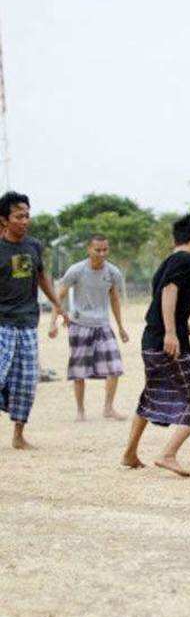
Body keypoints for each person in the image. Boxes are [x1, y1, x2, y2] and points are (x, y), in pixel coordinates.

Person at [121, 214, 190, 477]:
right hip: (166, 343)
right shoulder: (187, 260)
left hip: (152, 340)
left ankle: (130, 453)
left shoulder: (167, 263)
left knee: (151, 395)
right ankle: (168, 454)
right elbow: (170, 291)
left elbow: (166, 308)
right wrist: (171, 334)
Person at [0, 191, 68, 449]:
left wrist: (58, 305)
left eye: (27, 215)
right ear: (4, 220)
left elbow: (42, 277)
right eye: (19, 216)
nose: (25, 220)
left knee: (26, 382)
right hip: (2, 322)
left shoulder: (34, 246)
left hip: (28, 322)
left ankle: (18, 436)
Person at [48, 234, 129, 420]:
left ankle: (108, 408)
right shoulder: (76, 270)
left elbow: (114, 299)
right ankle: (80, 411)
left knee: (114, 367)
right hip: (80, 325)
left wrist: (121, 327)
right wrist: (54, 322)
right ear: (89, 249)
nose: (101, 253)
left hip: (103, 325)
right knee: (79, 370)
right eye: (97, 249)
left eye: (105, 250)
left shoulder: (112, 272)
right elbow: (58, 296)